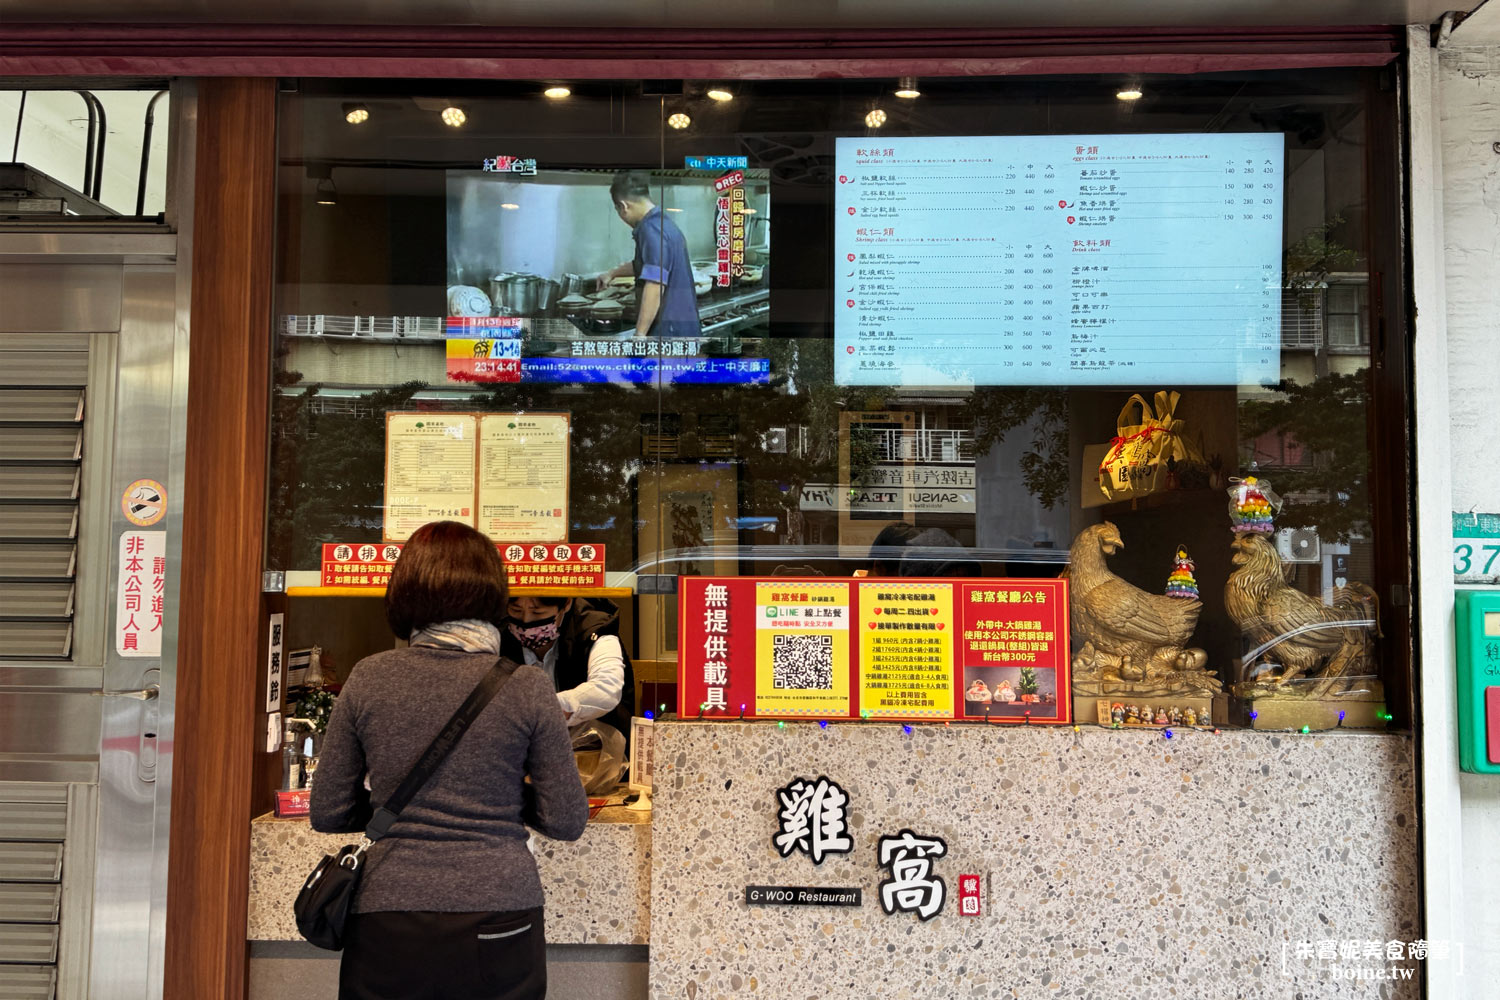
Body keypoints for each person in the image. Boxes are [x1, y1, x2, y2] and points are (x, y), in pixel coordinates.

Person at [310, 521, 587, 1000]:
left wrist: (393, 811)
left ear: (403, 593)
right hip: (499, 907)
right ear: (492, 592)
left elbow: (329, 811)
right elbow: (565, 820)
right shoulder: (526, 686)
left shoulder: (369, 678)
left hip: (387, 909)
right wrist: (498, 800)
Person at [499, 595, 635, 740]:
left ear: (566, 604)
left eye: (537, 612)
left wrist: (545, 707)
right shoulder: (498, 632)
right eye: (516, 610)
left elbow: (606, 689)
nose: (526, 621)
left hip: (593, 750)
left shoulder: (594, 628)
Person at [597, 170, 702, 339]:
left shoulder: (651, 230)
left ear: (624, 206)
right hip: (682, 328)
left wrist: (639, 334)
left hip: (670, 332)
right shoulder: (662, 223)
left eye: (618, 211)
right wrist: (612, 273)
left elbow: (655, 285)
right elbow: (648, 264)